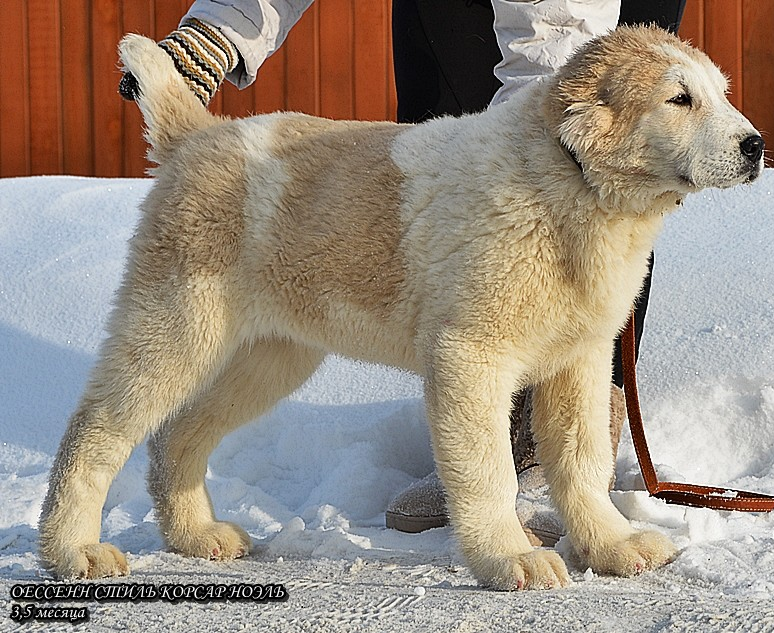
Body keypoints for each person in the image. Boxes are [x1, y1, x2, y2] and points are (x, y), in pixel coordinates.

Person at [120, 0, 687, 539]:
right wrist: (222, 29)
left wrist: (544, 147)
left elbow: (556, 46)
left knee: (582, 216)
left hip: (585, 37)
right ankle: (487, 446)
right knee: (455, 182)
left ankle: (553, 460)